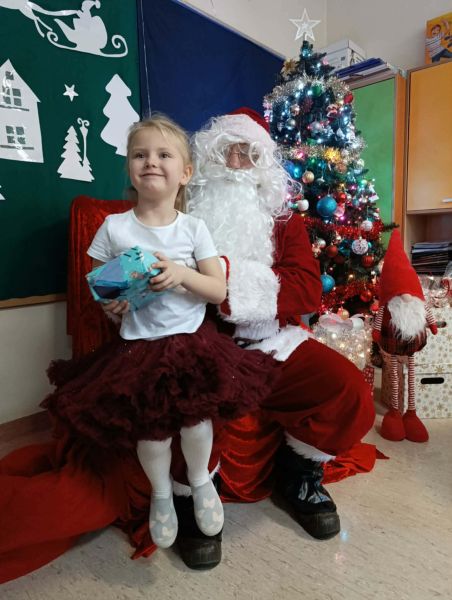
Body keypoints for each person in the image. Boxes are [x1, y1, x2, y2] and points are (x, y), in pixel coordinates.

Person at [41, 114, 277, 550]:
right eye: (140, 155)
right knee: (151, 433)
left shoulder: (193, 228)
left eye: (163, 154)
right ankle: (162, 494)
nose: (151, 161)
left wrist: (181, 274)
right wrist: (112, 304)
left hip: (190, 344)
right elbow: (101, 286)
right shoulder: (114, 228)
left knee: (196, 423)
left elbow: (217, 289)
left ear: (185, 173)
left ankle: (200, 481)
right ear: (130, 168)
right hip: (138, 347)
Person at [170, 107, 376, 568]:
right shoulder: (185, 215)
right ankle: (192, 496)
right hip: (206, 342)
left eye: (248, 153)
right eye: (227, 152)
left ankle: (298, 475)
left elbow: (305, 288)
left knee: (347, 388)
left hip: (273, 342)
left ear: (263, 165)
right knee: (191, 396)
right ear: (209, 159)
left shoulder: (284, 221)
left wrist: (226, 280)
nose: (236, 163)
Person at [372, 229, 437, 443]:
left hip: (413, 345)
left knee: (411, 376)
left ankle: (411, 412)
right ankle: (394, 412)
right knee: (394, 375)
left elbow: (428, 314)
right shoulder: (387, 307)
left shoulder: (419, 304)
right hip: (392, 346)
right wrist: (376, 333)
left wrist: (433, 326)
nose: (407, 295)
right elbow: (378, 322)